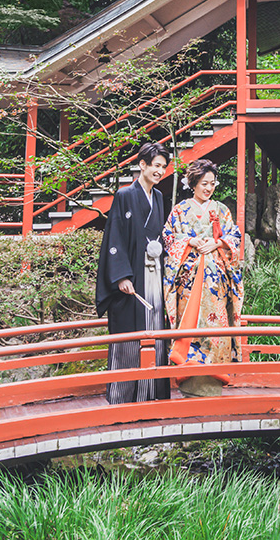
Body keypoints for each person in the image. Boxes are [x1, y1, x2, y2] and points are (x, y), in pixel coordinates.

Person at [96, 140, 171, 404]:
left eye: (163, 167)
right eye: (156, 166)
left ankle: (152, 393)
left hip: (155, 270)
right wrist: (121, 276)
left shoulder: (159, 197)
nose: (160, 171)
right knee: (130, 332)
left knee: (155, 326)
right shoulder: (125, 195)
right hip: (133, 276)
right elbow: (114, 238)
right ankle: (123, 397)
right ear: (142, 165)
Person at [163, 159, 243, 391]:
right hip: (188, 281)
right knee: (190, 324)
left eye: (212, 183)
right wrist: (190, 241)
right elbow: (168, 237)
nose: (208, 188)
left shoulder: (222, 210)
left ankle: (216, 378)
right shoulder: (179, 210)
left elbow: (235, 238)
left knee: (217, 324)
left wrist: (217, 243)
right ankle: (188, 378)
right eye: (203, 183)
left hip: (216, 281)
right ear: (193, 183)